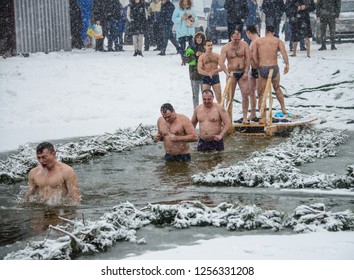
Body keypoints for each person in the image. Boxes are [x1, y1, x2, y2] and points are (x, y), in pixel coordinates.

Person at [252, 25, 289, 119]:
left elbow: (253, 55)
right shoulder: (277, 41)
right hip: (274, 67)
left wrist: (256, 65)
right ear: (273, 32)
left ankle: (261, 112)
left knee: (261, 92)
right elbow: (284, 52)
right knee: (277, 88)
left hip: (263, 67)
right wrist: (287, 64)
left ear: (266, 32)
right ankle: (283, 108)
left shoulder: (259, 41)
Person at [219, 29, 251, 124]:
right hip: (232, 73)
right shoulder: (226, 47)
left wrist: (246, 71)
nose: (237, 41)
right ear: (231, 38)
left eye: (238, 39)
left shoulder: (244, 44)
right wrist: (226, 72)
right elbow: (221, 62)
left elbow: (248, 59)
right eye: (235, 39)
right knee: (229, 97)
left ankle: (245, 117)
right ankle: (228, 118)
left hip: (242, 73)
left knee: (245, 94)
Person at [197, 39, 223, 104]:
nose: (210, 47)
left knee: (219, 96)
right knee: (206, 98)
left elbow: (223, 67)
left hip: (215, 77)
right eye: (208, 45)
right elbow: (199, 70)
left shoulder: (216, 55)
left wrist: (215, 71)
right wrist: (208, 73)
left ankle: (221, 112)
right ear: (204, 46)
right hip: (206, 77)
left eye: (211, 45)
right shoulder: (202, 57)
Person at [185, 31, 206, 108]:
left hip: (204, 75)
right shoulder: (190, 47)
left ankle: (206, 109)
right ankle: (196, 110)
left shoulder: (206, 47)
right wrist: (195, 55)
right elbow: (187, 60)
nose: (199, 39)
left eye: (201, 37)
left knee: (205, 94)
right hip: (194, 75)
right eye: (198, 37)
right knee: (195, 95)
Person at [245, 25, 260, 121]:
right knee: (251, 91)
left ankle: (261, 113)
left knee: (260, 92)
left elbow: (255, 56)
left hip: (258, 68)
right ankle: (253, 113)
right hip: (253, 69)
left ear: (249, 33)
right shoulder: (253, 41)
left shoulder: (256, 41)